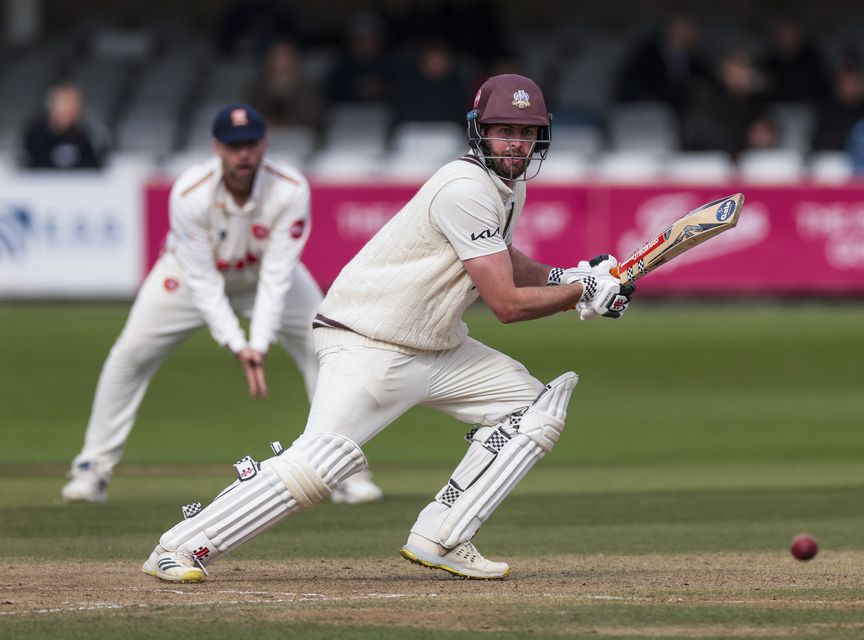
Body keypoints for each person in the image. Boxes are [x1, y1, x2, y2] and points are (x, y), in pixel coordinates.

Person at [141, 74, 634, 583]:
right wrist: (581, 292)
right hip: (368, 340)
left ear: (542, 136)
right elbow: (505, 303)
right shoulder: (464, 187)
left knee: (532, 408)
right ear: (478, 131)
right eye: (503, 129)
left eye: (526, 132)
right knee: (322, 463)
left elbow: (501, 258)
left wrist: (567, 276)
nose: (516, 142)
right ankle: (178, 547)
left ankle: (441, 535)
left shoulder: (511, 187)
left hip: (436, 346)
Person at [61, 104, 382, 507]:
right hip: (188, 277)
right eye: (234, 147)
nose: (243, 155)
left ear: (264, 144)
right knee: (129, 355)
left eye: (250, 144)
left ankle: (347, 472)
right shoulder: (190, 193)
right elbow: (204, 285)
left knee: (330, 348)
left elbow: (277, 277)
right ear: (217, 148)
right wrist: (236, 343)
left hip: (264, 275)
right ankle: (92, 470)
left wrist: (259, 343)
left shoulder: (289, 188)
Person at [22, 82, 105, 169]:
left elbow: (93, 166)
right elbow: (30, 164)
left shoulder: (85, 135)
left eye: (75, 102)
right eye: (67, 102)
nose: (72, 107)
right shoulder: (36, 134)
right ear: (53, 104)